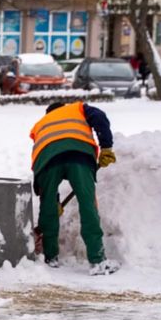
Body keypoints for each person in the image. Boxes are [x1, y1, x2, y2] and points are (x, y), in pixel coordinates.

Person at [30, 100, 118, 275]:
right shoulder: (77, 108)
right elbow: (99, 117)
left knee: (48, 208)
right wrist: (106, 147)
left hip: (47, 162)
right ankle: (97, 260)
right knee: (87, 205)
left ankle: (50, 258)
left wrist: (53, 201)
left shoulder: (40, 125)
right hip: (79, 155)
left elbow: (38, 163)